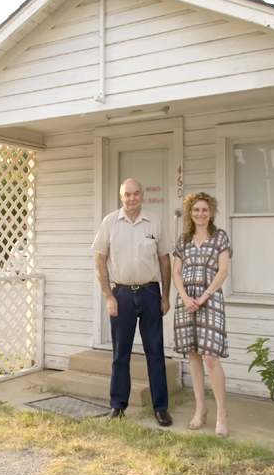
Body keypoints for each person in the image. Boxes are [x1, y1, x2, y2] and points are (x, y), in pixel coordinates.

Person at [92, 178, 173, 426]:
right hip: (122, 295)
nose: (132, 198)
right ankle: (118, 406)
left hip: (150, 293)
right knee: (120, 354)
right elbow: (99, 261)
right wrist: (108, 296)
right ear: (121, 196)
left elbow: (165, 261)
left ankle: (160, 408)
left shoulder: (154, 221)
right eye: (127, 194)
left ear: (142, 195)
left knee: (155, 352)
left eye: (136, 194)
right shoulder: (109, 223)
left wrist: (166, 296)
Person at [172, 192, 232, 437]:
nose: (200, 214)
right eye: (196, 210)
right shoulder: (184, 240)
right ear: (190, 213)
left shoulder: (219, 238)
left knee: (211, 358)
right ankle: (200, 408)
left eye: (204, 209)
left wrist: (204, 296)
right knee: (194, 355)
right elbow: (177, 273)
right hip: (187, 302)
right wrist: (186, 298)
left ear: (211, 212)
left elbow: (223, 271)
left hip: (210, 299)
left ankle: (221, 414)